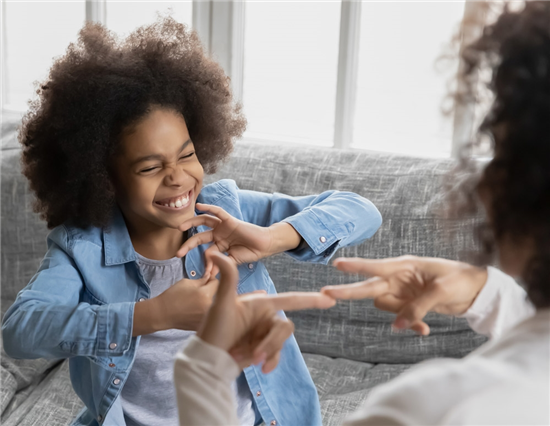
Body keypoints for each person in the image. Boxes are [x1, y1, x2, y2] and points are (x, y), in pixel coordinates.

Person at [173, 1, 550, 425]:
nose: (483, 182)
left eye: (498, 154)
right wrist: (491, 294)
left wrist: (203, 369)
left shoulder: (438, 405)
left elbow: (358, 209)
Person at [0, 17, 382, 426]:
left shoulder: (226, 211)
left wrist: (274, 238)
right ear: (103, 179)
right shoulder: (81, 249)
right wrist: (153, 315)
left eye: (186, 155)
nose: (178, 177)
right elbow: (20, 331)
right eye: (150, 167)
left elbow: (360, 210)